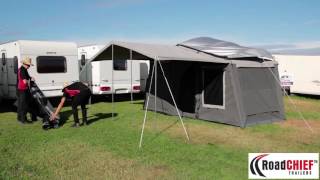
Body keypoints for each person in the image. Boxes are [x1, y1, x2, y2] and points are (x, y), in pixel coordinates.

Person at [17, 57, 36, 124]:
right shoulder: (22, 70)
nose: (29, 66)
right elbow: (25, 81)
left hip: (22, 89)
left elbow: (27, 77)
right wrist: (29, 81)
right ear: (25, 64)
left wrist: (31, 78)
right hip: (22, 89)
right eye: (28, 65)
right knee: (23, 105)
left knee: (21, 104)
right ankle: (23, 120)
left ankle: (20, 118)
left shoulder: (24, 69)